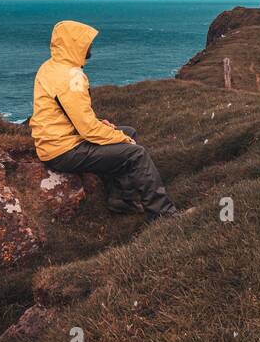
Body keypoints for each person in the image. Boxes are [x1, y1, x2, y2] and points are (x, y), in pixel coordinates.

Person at [30, 20, 179, 221]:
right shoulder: (71, 76)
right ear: (75, 45)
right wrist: (118, 137)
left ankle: (121, 200)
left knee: (129, 132)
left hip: (55, 141)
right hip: (63, 151)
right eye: (86, 42)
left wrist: (104, 126)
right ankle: (163, 214)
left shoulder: (50, 67)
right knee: (136, 154)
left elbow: (67, 113)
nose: (90, 46)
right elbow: (88, 130)